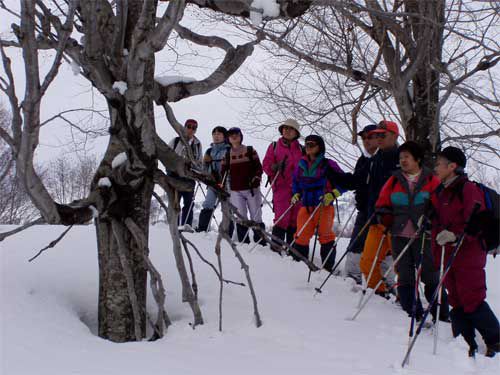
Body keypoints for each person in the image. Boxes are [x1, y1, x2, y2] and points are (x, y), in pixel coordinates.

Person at [432, 146, 499, 358]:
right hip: (448, 254)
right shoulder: (440, 192)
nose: (435, 168)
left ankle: (495, 340)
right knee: (456, 300)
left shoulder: (468, 189)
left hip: (469, 253)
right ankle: (464, 343)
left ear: (452, 166)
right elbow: (435, 221)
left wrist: (455, 235)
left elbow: (477, 221)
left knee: (472, 298)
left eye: (439, 163)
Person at [376, 141, 449, 321]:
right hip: (399, 235)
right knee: (405, 276)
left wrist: (433, 218)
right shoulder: (394, 180)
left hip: (423, 236)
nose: (403, 160)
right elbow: (381, 204)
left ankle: (441, 315)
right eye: (401, 157)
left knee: (430, 276)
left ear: (417, 159)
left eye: (407, 157)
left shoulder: (431, 180)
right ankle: (412, 312)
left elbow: (442, 206)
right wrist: (384, 217)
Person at [291, 134, 346, 271]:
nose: (308, 147)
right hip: (306, 205)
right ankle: (300, 266)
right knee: (301, 235)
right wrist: (296, 193)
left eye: (312, 144)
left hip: (324, 205)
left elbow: (344, 182)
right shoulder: (301, 164)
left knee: (326, 236)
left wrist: (333, 194)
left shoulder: (329, 164)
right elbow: (296, 182)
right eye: (307, 144)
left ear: (320, 147)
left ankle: (327, 269)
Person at [359, 120, 400, 298]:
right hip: (376, 219)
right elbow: (366, 186)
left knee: (402, 264)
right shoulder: (374, 160)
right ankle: (378, 294)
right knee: (367, 262)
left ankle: (410, 300)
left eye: (382, 135)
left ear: (394, 136)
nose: (378, 138)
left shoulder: (403, 158)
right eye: (376, 135)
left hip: (397, 221)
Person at [343, 124, 378, 284]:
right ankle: (352, 279)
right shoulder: (363, 160)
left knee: (382, 250)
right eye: (364, 138)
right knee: (356, 244)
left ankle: (384, 284)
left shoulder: (386, 157)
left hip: (382, 212)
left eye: (370, 137)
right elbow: (356, 181)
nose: (366, 141)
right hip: (364, 209)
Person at [262, 119, 303, 251]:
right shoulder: (274, 146)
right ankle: (276, 249)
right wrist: (275, 167)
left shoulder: (302, 148)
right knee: (281, 218)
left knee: (295, 219)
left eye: (290, 128)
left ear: (296, 132)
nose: (286, 130)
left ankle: (292, 250)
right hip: (281, 187)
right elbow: (266, 164)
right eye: (284, 128)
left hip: (298, 188)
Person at [221, 127, 266, 244]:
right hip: (235, 190)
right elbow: (223, 172)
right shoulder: (227, 155)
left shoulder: (250, 150)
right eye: (231, 135)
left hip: (252, 189)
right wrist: (222, 184)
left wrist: (257, 178)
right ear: (228, 139)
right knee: (241, 217)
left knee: (256, 215)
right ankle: (244, 242)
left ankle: (260, 241)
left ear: (241, 136)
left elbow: (258, 168)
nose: (234, 136)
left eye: (236, 134)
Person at [168, 119, 202, 226]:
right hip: (174, 176)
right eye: (189, 126)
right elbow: (168, 156)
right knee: (174, 202)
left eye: (193, 128)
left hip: (189, 178)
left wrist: (195, 169)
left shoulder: (197, 144)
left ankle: (187, 226)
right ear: (184, 127)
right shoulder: (175, 141)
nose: (190, 129)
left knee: (189, 203)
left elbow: (199, 160)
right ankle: (174, 225)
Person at [196, 126, 230, 232]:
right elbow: (203, 169)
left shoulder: (229, 149)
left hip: (227, 182)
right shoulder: (209, 151)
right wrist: (206, 163)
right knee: (208, 204)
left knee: (227, 208)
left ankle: (227, 233)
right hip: (212, 182)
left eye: (219, 134)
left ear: (224, 136)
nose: (216, 136)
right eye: (214, 134)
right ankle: (202, 230)